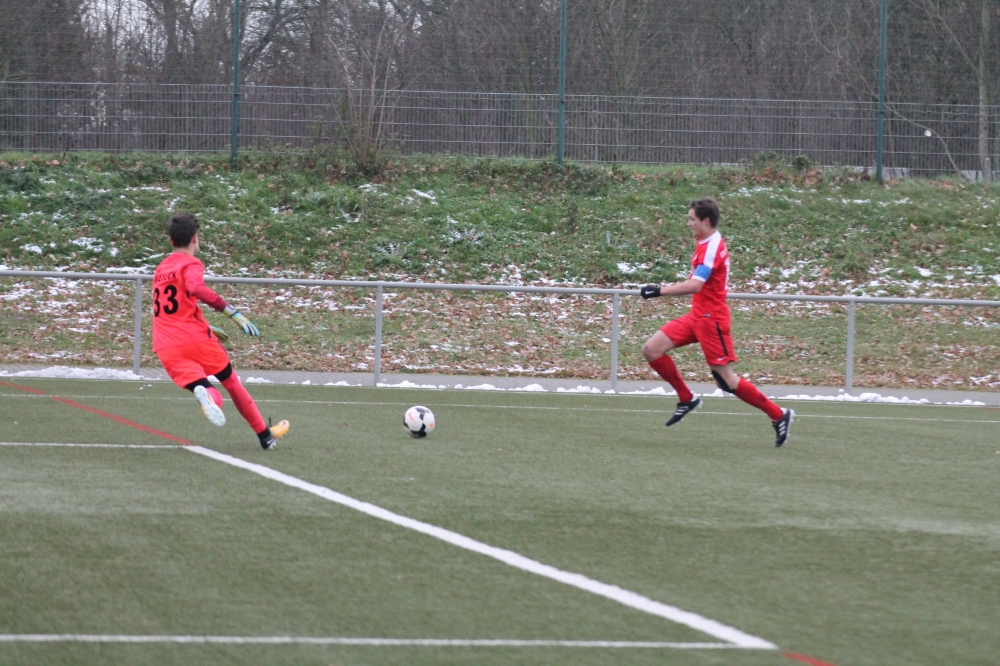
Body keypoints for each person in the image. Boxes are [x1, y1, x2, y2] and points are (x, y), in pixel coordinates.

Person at [639, 198, 793, 447]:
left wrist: (659, 291)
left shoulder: (711, 247)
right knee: (651, 349)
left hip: (712, 320)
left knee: (726, 381)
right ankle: (687, 398)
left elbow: (695, 285)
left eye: (692, 219)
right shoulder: (704, 241)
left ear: (706, 221)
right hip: (697, 316)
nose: (688, 223)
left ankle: (778, 415)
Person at [152, 213, 289, 450]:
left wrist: (206, 325)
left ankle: (206, 396)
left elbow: (174, 309)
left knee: (202, 385)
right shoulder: (191, 263)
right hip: (195, 339)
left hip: (166, 345)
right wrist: (232, 312)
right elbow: (196, 287)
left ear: (170, 241)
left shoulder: (161, 268)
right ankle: (265, 436)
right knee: (230, 381)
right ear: (195, 239)